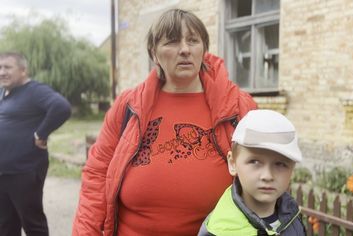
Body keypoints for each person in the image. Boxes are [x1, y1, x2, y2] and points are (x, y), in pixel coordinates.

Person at [72, 8, 257, 236]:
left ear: (204, 49)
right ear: (153, 53)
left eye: (193, 40)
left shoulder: (238, 107)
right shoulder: (129, 106)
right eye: (171, 42)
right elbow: (97, 175)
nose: (185, 50)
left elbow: (264, 172)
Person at [199, 109, 306, 236]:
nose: (267, 176)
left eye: (280, 164)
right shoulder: (218, 231)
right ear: (233, 163)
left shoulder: (292, 218)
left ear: (292, 169)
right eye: (255, 162)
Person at [0, 52, 72, 236]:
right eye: (0, 68)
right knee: (6, 224)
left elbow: (61, 107)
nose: (2, 72)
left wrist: (41, 133)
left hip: (25, 171)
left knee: (33, 224)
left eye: (7, 67)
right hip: (4, 172)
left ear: (23, 70)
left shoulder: (35, 90)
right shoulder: (4, 92)